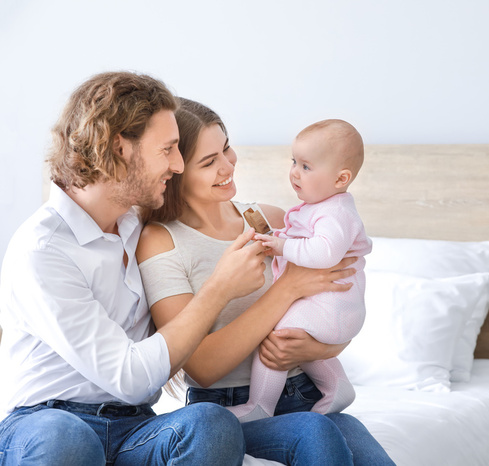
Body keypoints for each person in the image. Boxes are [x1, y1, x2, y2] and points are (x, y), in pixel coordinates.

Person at [0, 71, 269, 465]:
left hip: (136, 428)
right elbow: (129, 378)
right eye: (168, 150)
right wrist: (219, 289)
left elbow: (212, 211)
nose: (178, 166)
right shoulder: (43, 249)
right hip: (46, 421)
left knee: (211, 424)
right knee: (68, 439)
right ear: (120, 147)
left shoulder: (139, 224)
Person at [136, 98, 395, 465]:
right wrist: (287, 289)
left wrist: (318, 350)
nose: (227, 166)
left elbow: (338, 303)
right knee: (314, 433)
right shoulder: (161, 241)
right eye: (209, 162)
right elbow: (203, 368)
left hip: (308, 391)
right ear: (175, 169)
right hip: (232, 406)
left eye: (226, 148)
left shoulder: (270, 219)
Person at [230, 119, 371, 422]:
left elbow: (323, 252)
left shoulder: (336, 213)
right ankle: (336, 386)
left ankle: (260, 405)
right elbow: (306, 241)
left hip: (335, 307)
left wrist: (282, 247)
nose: (294, 171)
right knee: (291, 334)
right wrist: (278, 238)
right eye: (294, 161)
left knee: (280, 334)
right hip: (331, 307)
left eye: (306, 166)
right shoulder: (320, 207)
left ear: (340, 178)